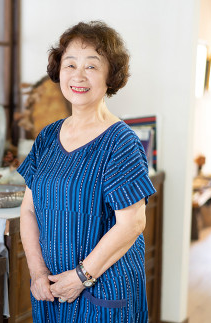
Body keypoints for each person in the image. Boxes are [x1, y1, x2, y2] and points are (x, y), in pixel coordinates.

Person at [17, 21, 156, 322]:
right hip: (53, 289)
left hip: (104, 289)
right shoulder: (47, 137)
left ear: (111, 76)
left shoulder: (122, 142)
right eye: (70, 64)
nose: (78, 75)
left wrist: (80, 277)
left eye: (91, 67)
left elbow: (132, 224)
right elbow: (28, 210)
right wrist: (38, 271)